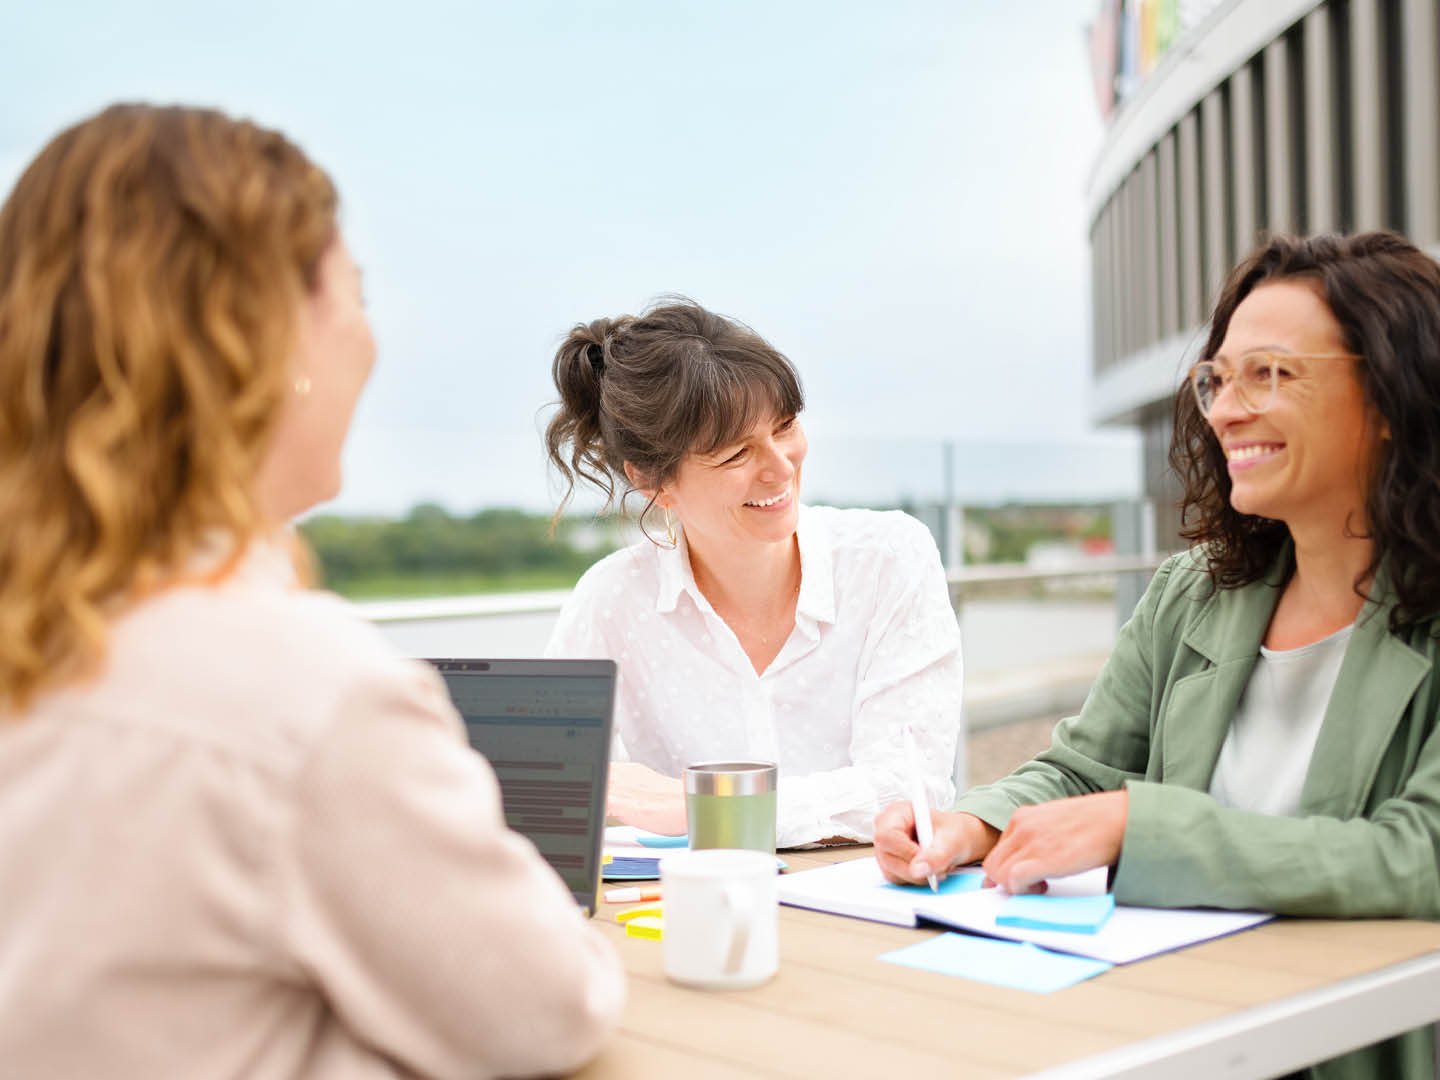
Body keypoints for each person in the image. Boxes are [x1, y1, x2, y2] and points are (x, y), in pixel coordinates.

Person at [0, 104, 622, 1079]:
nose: (371, 344)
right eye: (356, 296)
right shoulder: (302, 690)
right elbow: (550, 1011)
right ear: (264, 341)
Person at [875, 230, 1440, 1080]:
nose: (1224, 410)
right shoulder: (1193, 592)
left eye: (1270, 374)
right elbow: (1082, 770)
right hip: (1173, 1026)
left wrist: (1146, 826)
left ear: (1392, 393)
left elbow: (1418, 853)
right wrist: (973, 824)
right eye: (1218, 378)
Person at [544, 299, 962, 848]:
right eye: (737, 453)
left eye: (784, 427)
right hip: (690, 905)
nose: (781, 466)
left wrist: (704, 807)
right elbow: (554, 790)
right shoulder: (612, 597)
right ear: (653, 481)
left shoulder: (886, 557)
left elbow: (910, 790)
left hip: (866, 901)